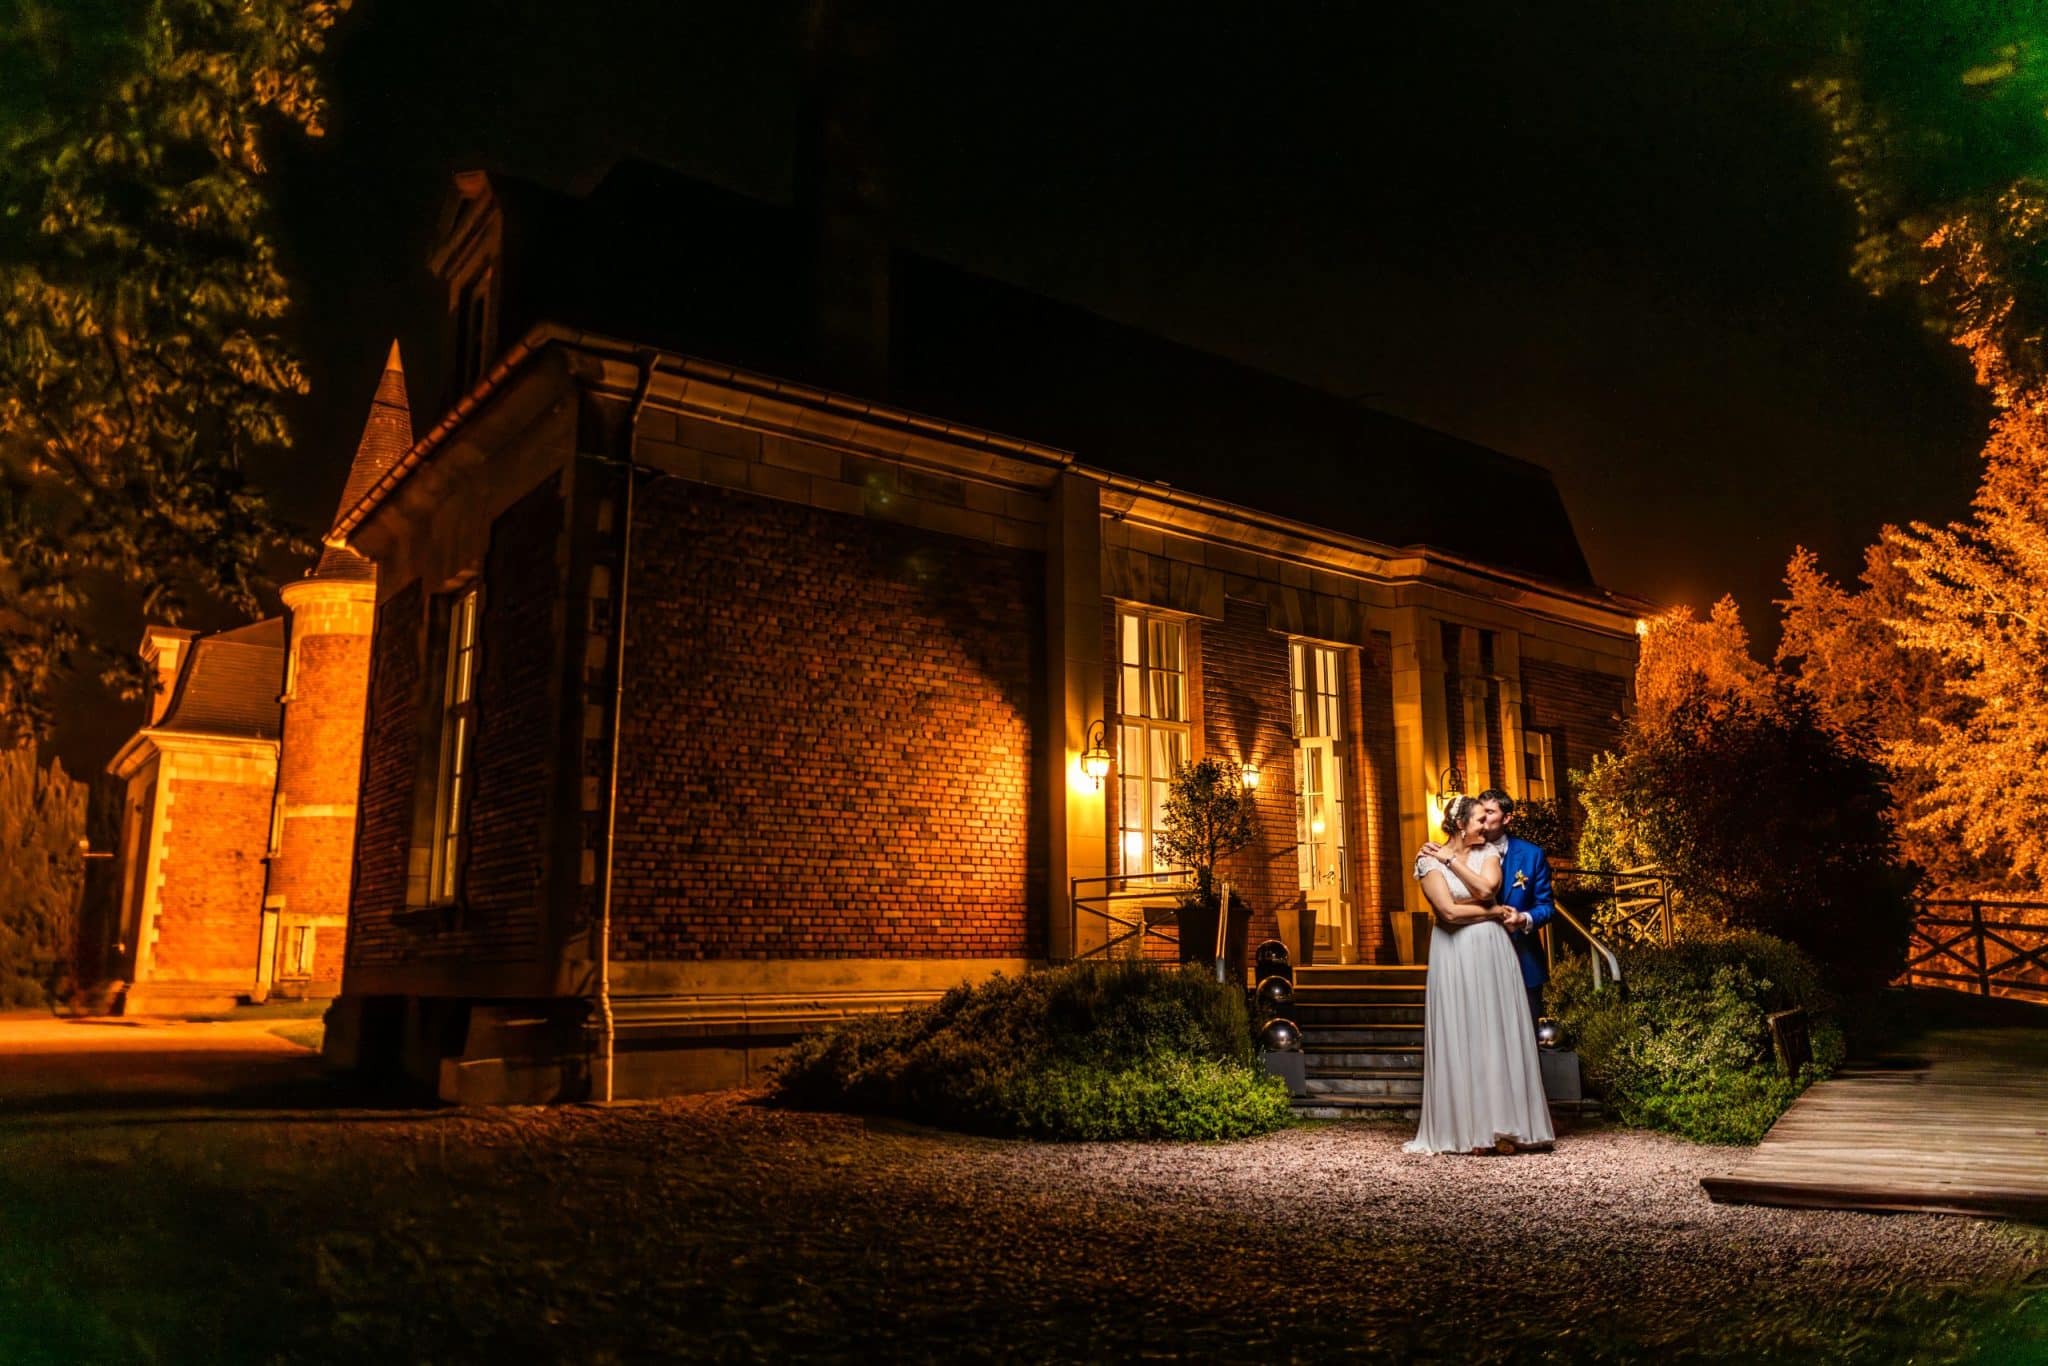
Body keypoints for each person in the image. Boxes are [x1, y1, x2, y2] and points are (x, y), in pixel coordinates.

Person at [1403, 794, 1554, 1156]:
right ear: (1460, 825)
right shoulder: (1427, 859)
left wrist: (1453, 864)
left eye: (1489, 818)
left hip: (1493, 952)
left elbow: (1487, 889)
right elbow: (1448, 913)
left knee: (1496, 1035)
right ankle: (1467, 1128)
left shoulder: (1488, 856)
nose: (1485, 826)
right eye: (1478, 821)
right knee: (1463, 1031)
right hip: (1454, 954)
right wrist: (1489, 912)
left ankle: (1506, 1127)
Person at [1422, 788, 1556, 1027]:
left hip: (1522, 955)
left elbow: (1546, 906)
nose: (1483, 819)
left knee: (1523, 1034)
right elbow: (1447, 905)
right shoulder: (1442, 854)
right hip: (1470, 955)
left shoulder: (1532, 855)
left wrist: (1523, 918)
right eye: (1479, 815)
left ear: (1506, 818)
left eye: (1489, 813)